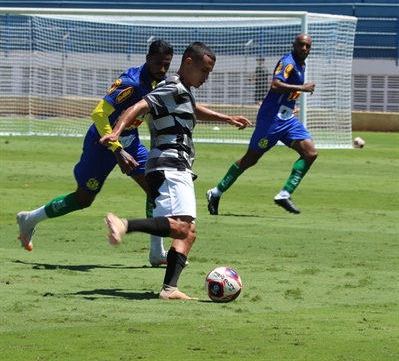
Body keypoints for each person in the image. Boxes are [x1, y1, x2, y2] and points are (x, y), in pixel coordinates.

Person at [100, 41, 251, 300]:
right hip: (169, 165)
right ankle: (123, 224)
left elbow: (192, 109)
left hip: (177, 166)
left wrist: (226, 118)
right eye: (204, 71)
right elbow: (138, 106)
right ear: (189, 63)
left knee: (188, 232)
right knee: (181, 229)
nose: (206, 77)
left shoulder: (182, 91)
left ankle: (169, 289)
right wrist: (115, 132)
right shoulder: (171, 86)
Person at [16, 40, 174, 266]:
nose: (162, 69)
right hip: (102, 144)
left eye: (166, 65)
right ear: (147, 58)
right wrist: (117, 150)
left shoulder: (160, 82)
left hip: (131, 143)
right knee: (83, 199)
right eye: (158, 63)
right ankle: (30, 218)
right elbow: (99, 114)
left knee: (156, 189)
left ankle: (157, 252)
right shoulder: (129, 83)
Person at [206, 33, 317, 215]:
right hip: (271, 118)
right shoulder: (288, 62)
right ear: (294, 44)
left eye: (307, 46)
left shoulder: (301, 65)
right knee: (251, 159)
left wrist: (292, 103)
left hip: (287, 119)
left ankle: (284, 194)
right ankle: (215, 192)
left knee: (310, 153)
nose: (304, 48)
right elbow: (275, 85)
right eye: (301, 45)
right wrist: (301, 88)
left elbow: (287, 90)